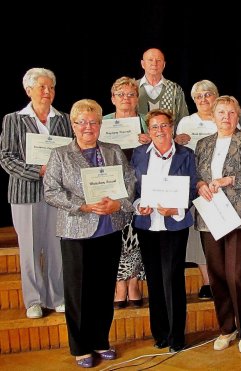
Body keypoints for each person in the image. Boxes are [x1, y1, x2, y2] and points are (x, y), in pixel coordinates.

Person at [43, 99, 135, 368]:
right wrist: (81, 205)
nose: (88, 127)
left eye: (93, 122)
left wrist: (118, 204)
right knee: (78, 292)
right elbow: (51, 192)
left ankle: (100, 340)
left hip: (109, 229)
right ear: (73, 125)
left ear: (100, 124)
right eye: (82, 122)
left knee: (103, 290)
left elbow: (129, 182)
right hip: (76, 232)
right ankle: (80, 346)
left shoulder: (113, 150)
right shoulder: (60, 154)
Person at [195, 95, 241, 353]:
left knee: (238, 274)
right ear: (213, 116)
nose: (226, 117)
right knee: (217, 275)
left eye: (231, 113)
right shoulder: (202, 144)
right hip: (210, 216)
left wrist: (229, 180)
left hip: (240, 216)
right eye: (221, 112)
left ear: (238, 116)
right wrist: (201, 184)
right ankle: (227, 328)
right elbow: (197, 177)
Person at [0, 67, 71, 319]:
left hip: (57, 194)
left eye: (50, 87)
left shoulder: (63, 119)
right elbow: (6, 158)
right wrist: (38, 171)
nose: (47, 91)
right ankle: (33, 300)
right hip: (25, 194)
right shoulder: (13, 119)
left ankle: (58, 296)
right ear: (28, 90)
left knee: (56, 248)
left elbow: (70, 154)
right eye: (41, 87)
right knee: (30, 249)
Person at [131, 109, 196, 352]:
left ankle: (176, 336)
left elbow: (191, 189)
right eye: (155, 127)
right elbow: (133, 189)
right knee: (155, 280)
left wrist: (177, 208)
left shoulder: (186, 154)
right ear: (149, 131)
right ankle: (159, 334)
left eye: (164, 126)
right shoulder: (138, 154)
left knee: (173, 279)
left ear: (172, 128)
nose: (160, 131)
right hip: (147, 225)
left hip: (174, 225)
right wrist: (139, 206)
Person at [103, 76, 151, 309]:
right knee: (118, 234)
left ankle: (134, 282)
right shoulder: (102, 123)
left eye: (131, 95)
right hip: (112, 186)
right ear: (112, 98)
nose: (126, 99)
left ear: (137, 99)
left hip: (141, 186)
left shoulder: (146, 122)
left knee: (137, 234)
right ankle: (119, 283)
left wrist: (149, 141)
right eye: (121, 94)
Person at [175, 80, 219, 300]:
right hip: (194, 182)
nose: (204, 99)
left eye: (208, 94)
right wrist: (177, 141)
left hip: (220, 184)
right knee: (198, 233)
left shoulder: (225, 116)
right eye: (199, 96)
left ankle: (223, 278)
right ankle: (207, 281)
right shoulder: (186, 122)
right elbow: (177, 152)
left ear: (216, 96)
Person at [138, 48, 189, 126]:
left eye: (158, 60)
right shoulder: (132, 89)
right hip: (138, 138)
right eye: (150, 60)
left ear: (164, 64)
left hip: (169, 138)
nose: (154, 63)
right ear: (143, 64)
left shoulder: (175, 89)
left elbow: (184, 119)